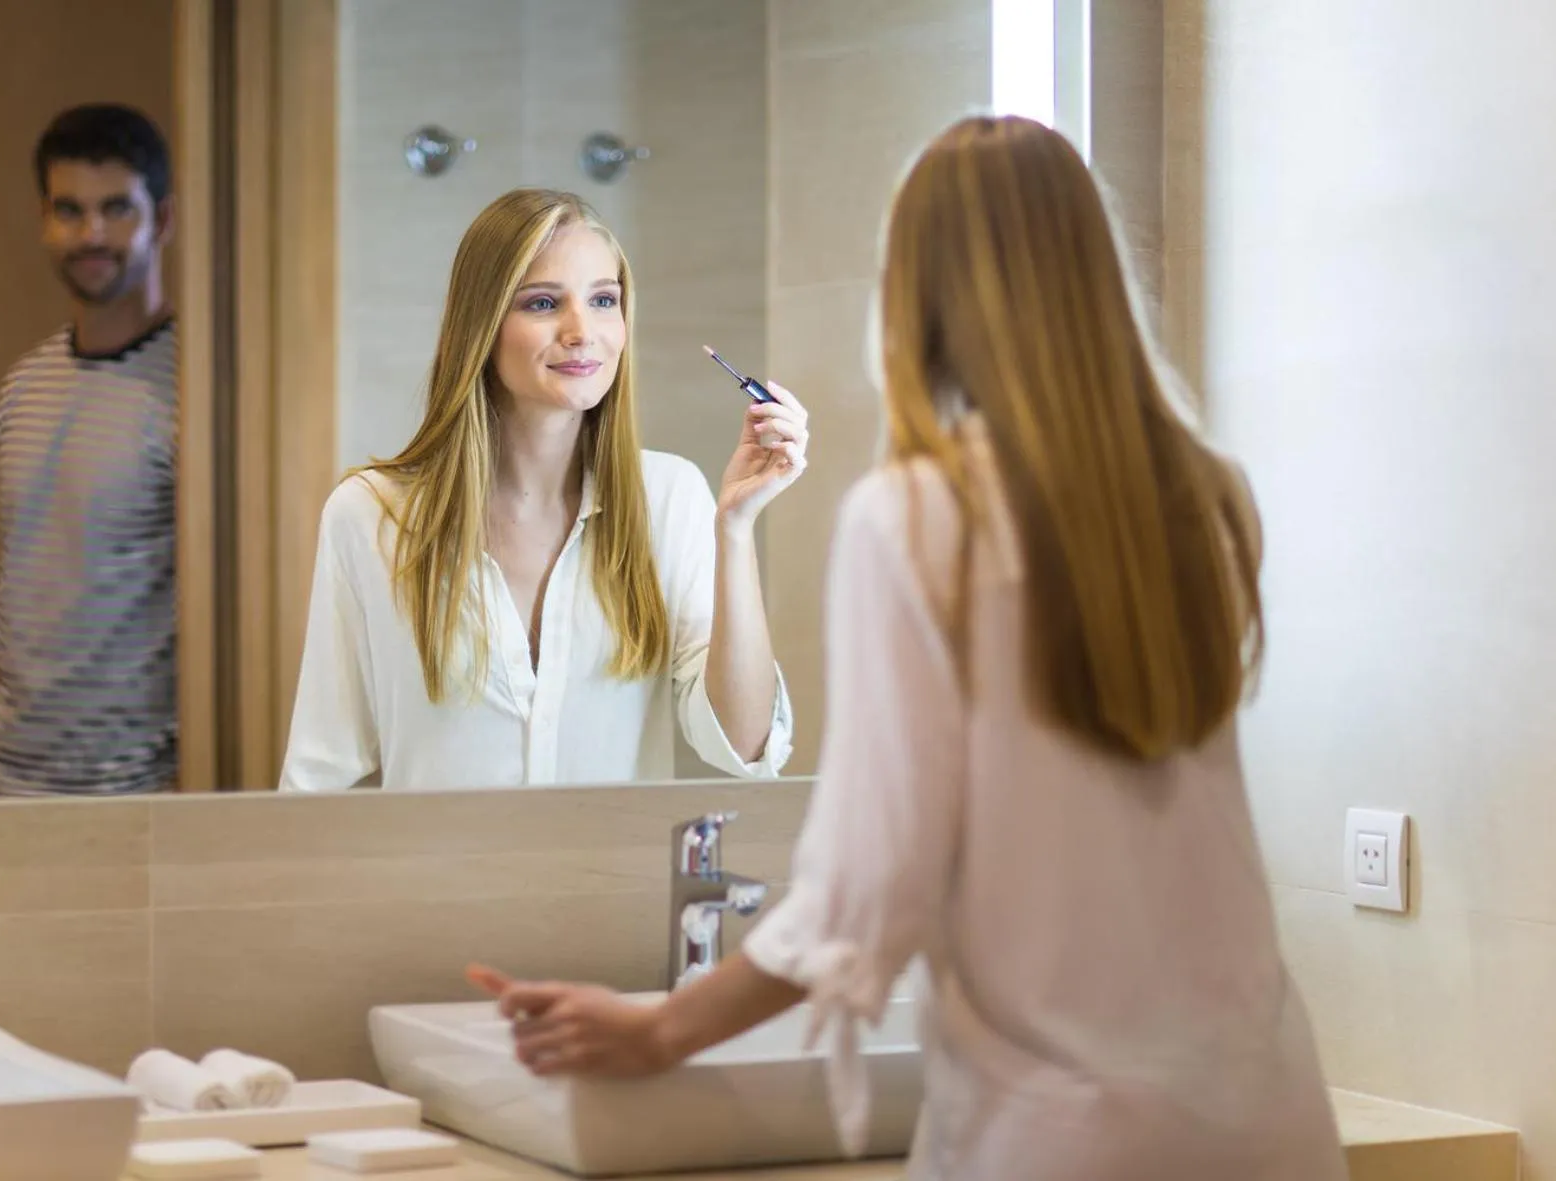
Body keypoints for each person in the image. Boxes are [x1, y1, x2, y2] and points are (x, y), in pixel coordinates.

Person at [467, 118, 1348, 1180]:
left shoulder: (919, 514)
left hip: (1066, 1131)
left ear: (919, 292)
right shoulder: (1205, 493)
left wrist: (660, 1029)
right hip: (1266, 1109)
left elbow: (867, 881)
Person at [278, 189, 801, 791]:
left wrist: (735, 529)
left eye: (604, 299)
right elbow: (320, 773)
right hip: (437, 887)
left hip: (612, 887)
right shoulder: (370, 515)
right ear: (483, 324)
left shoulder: (671, 496)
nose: (583, 331)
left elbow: (744, 745)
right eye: (543, 302)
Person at [0, 104, 178, 798]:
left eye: (116, 208)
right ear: (44, 220)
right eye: (70, 209)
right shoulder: (24, 385)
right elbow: (16, 589)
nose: (91, 233)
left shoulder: (196, 391)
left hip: (133, 789)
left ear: (161, 220)